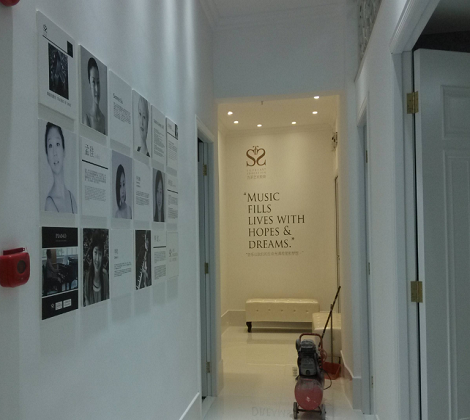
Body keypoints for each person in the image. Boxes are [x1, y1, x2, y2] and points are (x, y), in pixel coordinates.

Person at [44, 122, 77, 214]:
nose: (55, 153)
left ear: (64, 150)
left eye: (58, 144)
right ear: (47, 156)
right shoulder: (49, 203)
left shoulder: (72, 198)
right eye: (50, 146)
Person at [83, 231, 109, 306]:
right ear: (92, 253)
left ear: (102, 256)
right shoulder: (87, 276)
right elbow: (87, 300)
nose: (97, 259)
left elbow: (107, 298)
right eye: (95, 252)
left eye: (100, 254)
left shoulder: (105, 275)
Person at [84, 57, 106, 135]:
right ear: (89, 85)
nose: (97, 89)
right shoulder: (87, 118)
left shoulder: (103, 119)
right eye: (93, 82)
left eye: (98, 82)